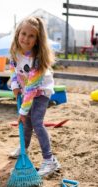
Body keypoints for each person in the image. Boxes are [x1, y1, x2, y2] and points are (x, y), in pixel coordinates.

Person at [8, 16, 60, 177]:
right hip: (27, 91)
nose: (26, 38)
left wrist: (22, 112)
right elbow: (13, 69)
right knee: (27, 123)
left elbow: (32, 88)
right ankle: (24, 148)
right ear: (18, 33)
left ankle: (49, 160)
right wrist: (15, 85)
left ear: (37, 40)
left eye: (31, 36)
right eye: (23, 33)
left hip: (40, 92)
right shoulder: (15, 52)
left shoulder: (37, 59)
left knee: (36, 122)